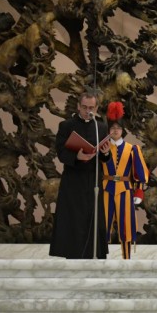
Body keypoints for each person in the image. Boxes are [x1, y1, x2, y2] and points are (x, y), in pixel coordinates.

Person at [49, 91, 111, 259]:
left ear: (96, 108)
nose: (87, 111)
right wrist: (77, 156)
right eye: (84, 107)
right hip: (73, 180)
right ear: (78, 106)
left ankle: (94, 255)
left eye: (91, 108)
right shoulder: (66, 125)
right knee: (74, 219)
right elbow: (61, 152)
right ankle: (74, 255)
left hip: (93, 180)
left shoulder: (101, 127)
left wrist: (106, 153)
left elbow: (105, 158)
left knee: (93, 216)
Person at [102, 101, 149, 259]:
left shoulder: (132, 149)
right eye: (112, 128)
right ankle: (102, 258)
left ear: (123, 130)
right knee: (103, 224)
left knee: (126, 224)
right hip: (106, 188)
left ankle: (126, 259)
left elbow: (140, 171)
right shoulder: (102, 147)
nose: (115, 130)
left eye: (118, 128)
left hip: (125, 189)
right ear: (109, 130)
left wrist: (139, 191)